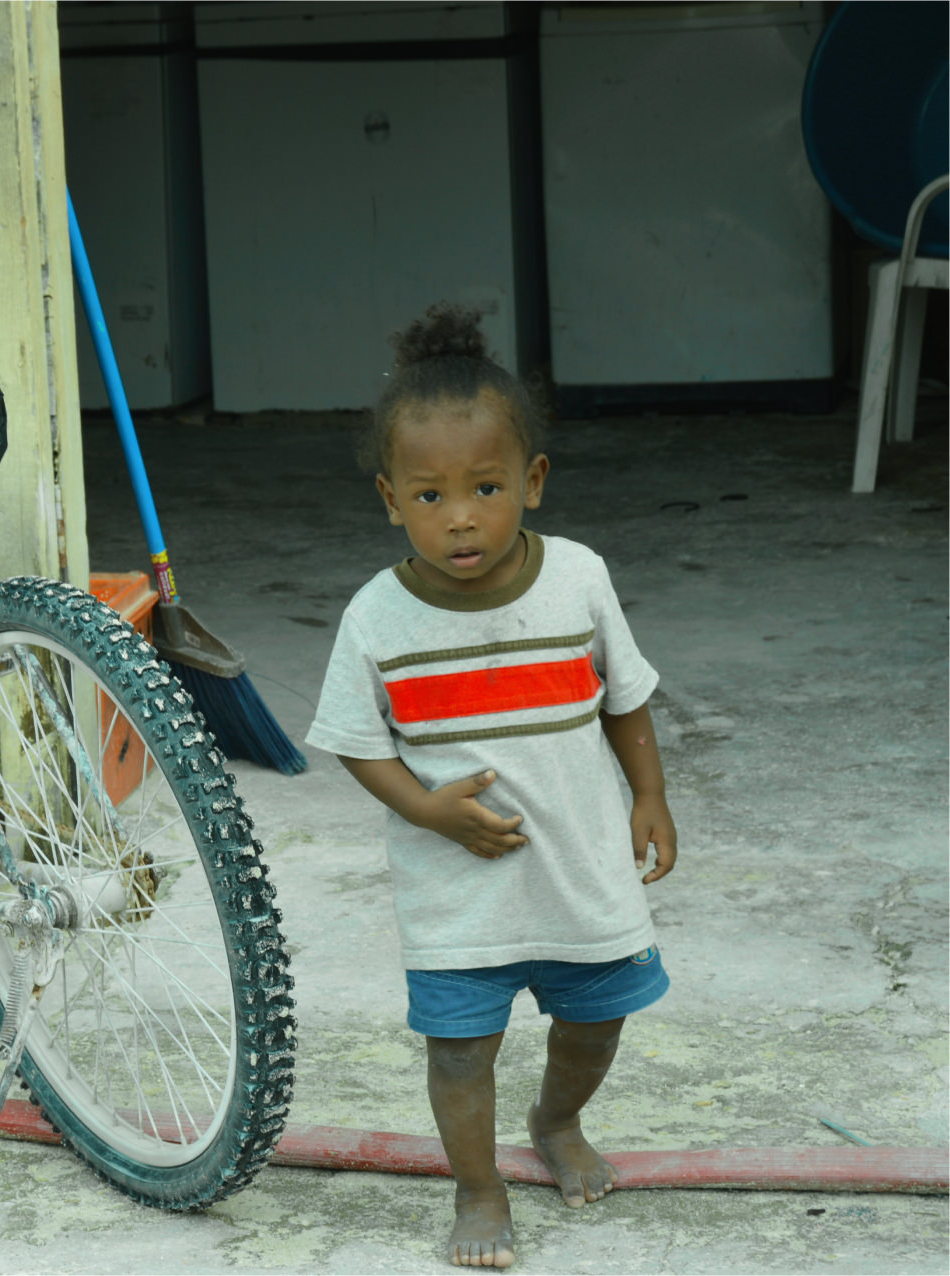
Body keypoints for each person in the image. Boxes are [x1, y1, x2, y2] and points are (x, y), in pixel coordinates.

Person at [305, 302, 678, 1269]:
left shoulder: (579, 581)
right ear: (390, 500)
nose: (460, 515)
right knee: (459, 1052)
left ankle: (556, 1122)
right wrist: (424, 807)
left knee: (596, 1019)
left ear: (532, 481)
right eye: (428, 497)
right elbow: (355, 741)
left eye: (484, 486)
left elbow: (624, 700)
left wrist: (649, 797)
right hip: (458, 887)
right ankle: (477, 1189)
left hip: (579, 870)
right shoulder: (376, 617)